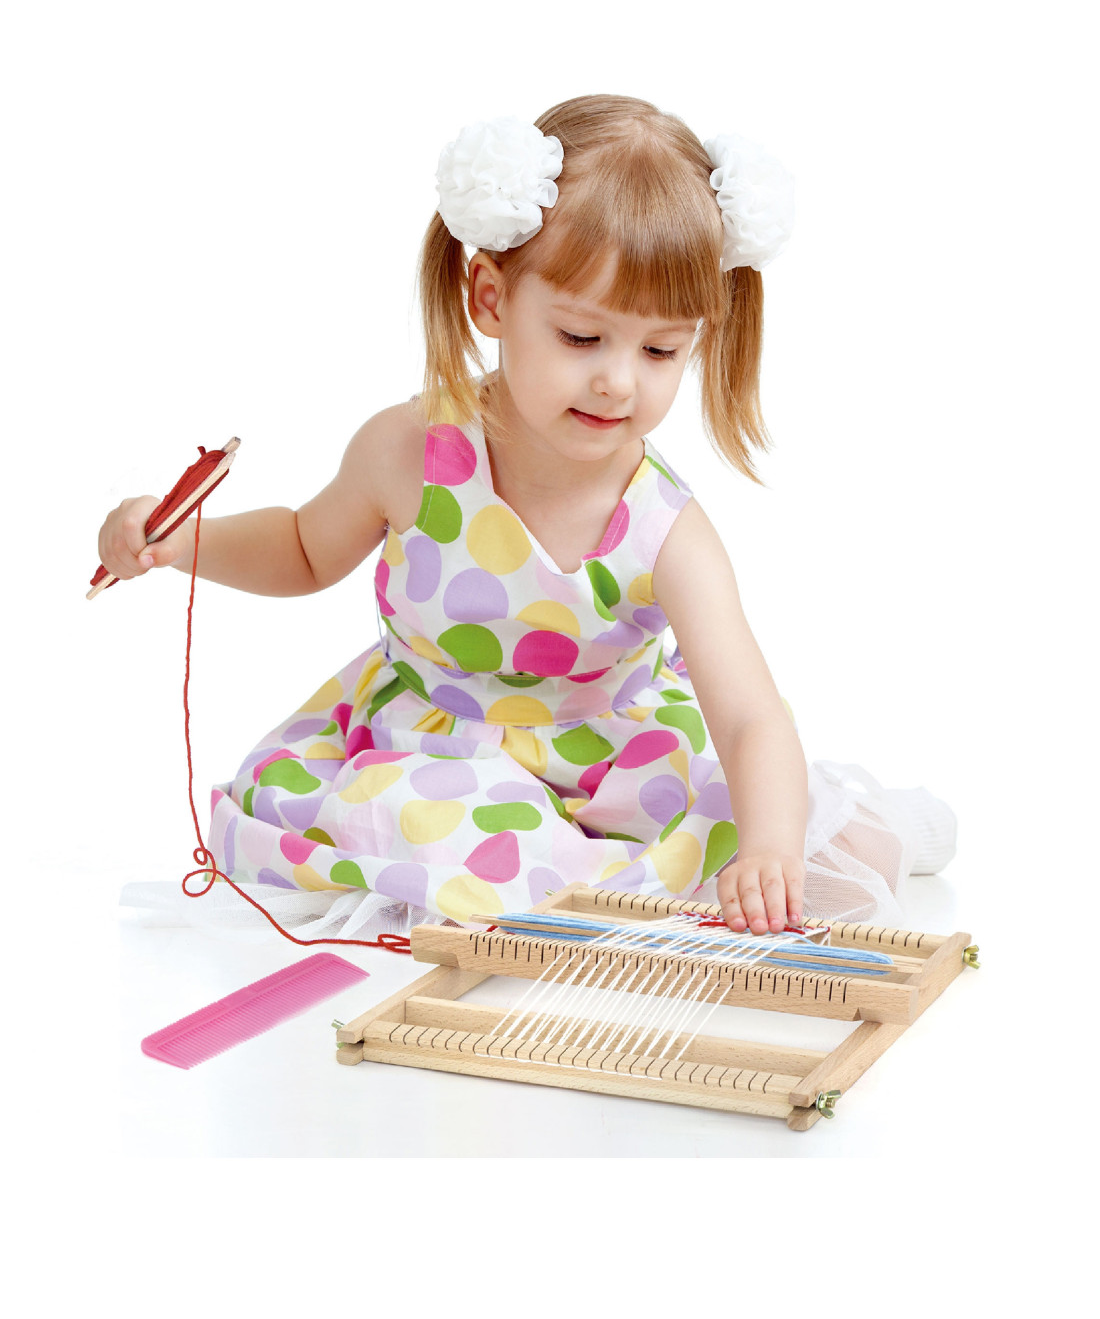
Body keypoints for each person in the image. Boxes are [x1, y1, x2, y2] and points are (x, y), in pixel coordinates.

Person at [97, 94, 955, 940]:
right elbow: (301, 549)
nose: (619, 380)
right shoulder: (410, 451)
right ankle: (545, 873)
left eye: (661, 349)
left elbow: (748, 716)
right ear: (491, 298)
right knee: (426, 822)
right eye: (582, 337)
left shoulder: (666, 529)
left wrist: (767, 849)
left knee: (787, 839)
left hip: (615, 762)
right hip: (437, 753)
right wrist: (186, 543)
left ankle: (890, 826)